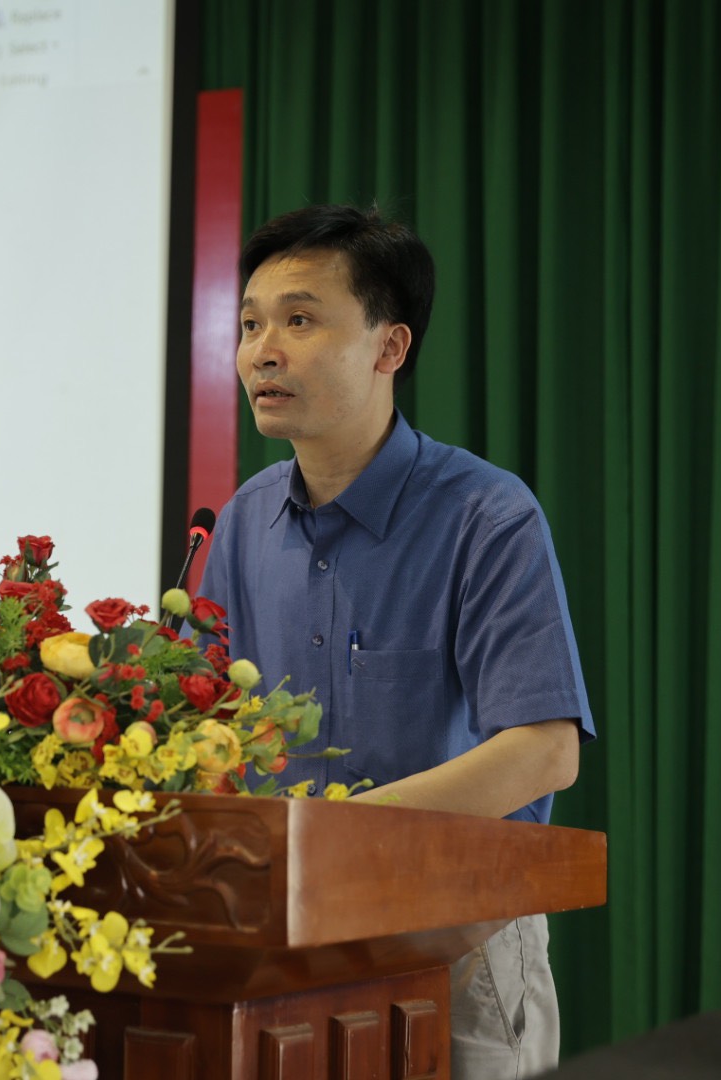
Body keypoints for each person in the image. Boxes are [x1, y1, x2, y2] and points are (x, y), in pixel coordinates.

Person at [196, 203, 597, 1079]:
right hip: (284, 939)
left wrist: (339, 835)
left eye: (300, 320)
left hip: (461, 937)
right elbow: (205, 735)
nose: (263, 349)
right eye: (252, 324)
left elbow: (543, 753)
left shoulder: (487, 516)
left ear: (389, 348)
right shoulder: (241, 525)